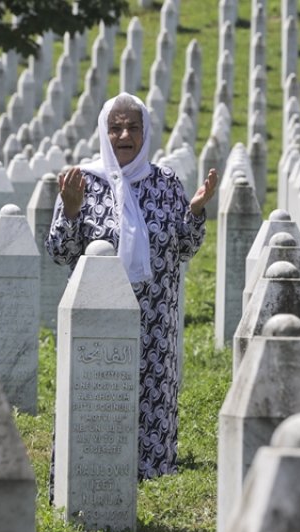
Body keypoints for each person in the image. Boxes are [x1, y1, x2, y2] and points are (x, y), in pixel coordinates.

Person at [48, 93, 219, 480]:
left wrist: (194, 211)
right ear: (103, 132)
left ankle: (152, 471)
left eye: (133, 127)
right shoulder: (83, 183)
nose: (124, 134)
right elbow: (60, 252)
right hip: (97, 315)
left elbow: (185, 247)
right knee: (94, 390)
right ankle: (89, 469)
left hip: (155, 315)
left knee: (152, 390)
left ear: (145, 132)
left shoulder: (164, 183)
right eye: (116, 127)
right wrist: (71, 211)